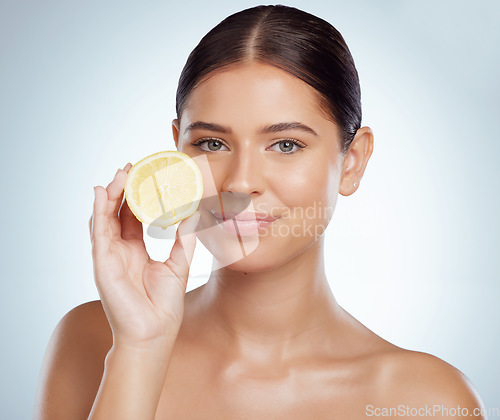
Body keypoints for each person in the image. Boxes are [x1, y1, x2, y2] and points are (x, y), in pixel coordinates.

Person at [34, 5, 486, 419]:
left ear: (353, 161)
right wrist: (140, 350)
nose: (239, 181)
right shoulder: (95, 340)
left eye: (286, 145)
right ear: (178, 150)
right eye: (212, 143)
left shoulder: (428, 401)